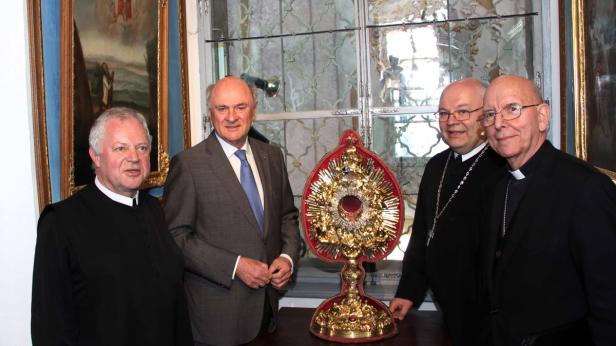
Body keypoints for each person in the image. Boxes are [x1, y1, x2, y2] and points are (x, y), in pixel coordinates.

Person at [31, 107, 193, 345]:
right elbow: (50, 326)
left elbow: (174, 301)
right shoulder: (60, 222)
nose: (134, 157)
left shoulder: (154, 209)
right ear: (95, 156)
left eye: (142, 148)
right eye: (120, 148)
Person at [163, 76, 301, 345]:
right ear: (210, 113)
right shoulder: (189, 165)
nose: (232, 117)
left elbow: (287, 216)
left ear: (254, 110)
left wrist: (287, 258)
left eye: (240, 107)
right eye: (222, 108)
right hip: (217, 320)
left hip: (267, 312)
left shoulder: (271, 156)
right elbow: (176, 237)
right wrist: (235, 266)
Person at [481, 75, 616, 346]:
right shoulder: (500, 185)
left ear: (542, 116)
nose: (498, 123)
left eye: (512, 109)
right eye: (490, 114)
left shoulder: (585, 187)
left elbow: (609, 299)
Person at [389, 79, 505, 345]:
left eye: (463, 111)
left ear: (485, 116)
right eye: (444, 113)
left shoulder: (501, 170)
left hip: (489, 317)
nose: (452, 121)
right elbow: (422, 236)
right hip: (449, 309)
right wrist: (408, 291)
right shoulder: (436, 166)